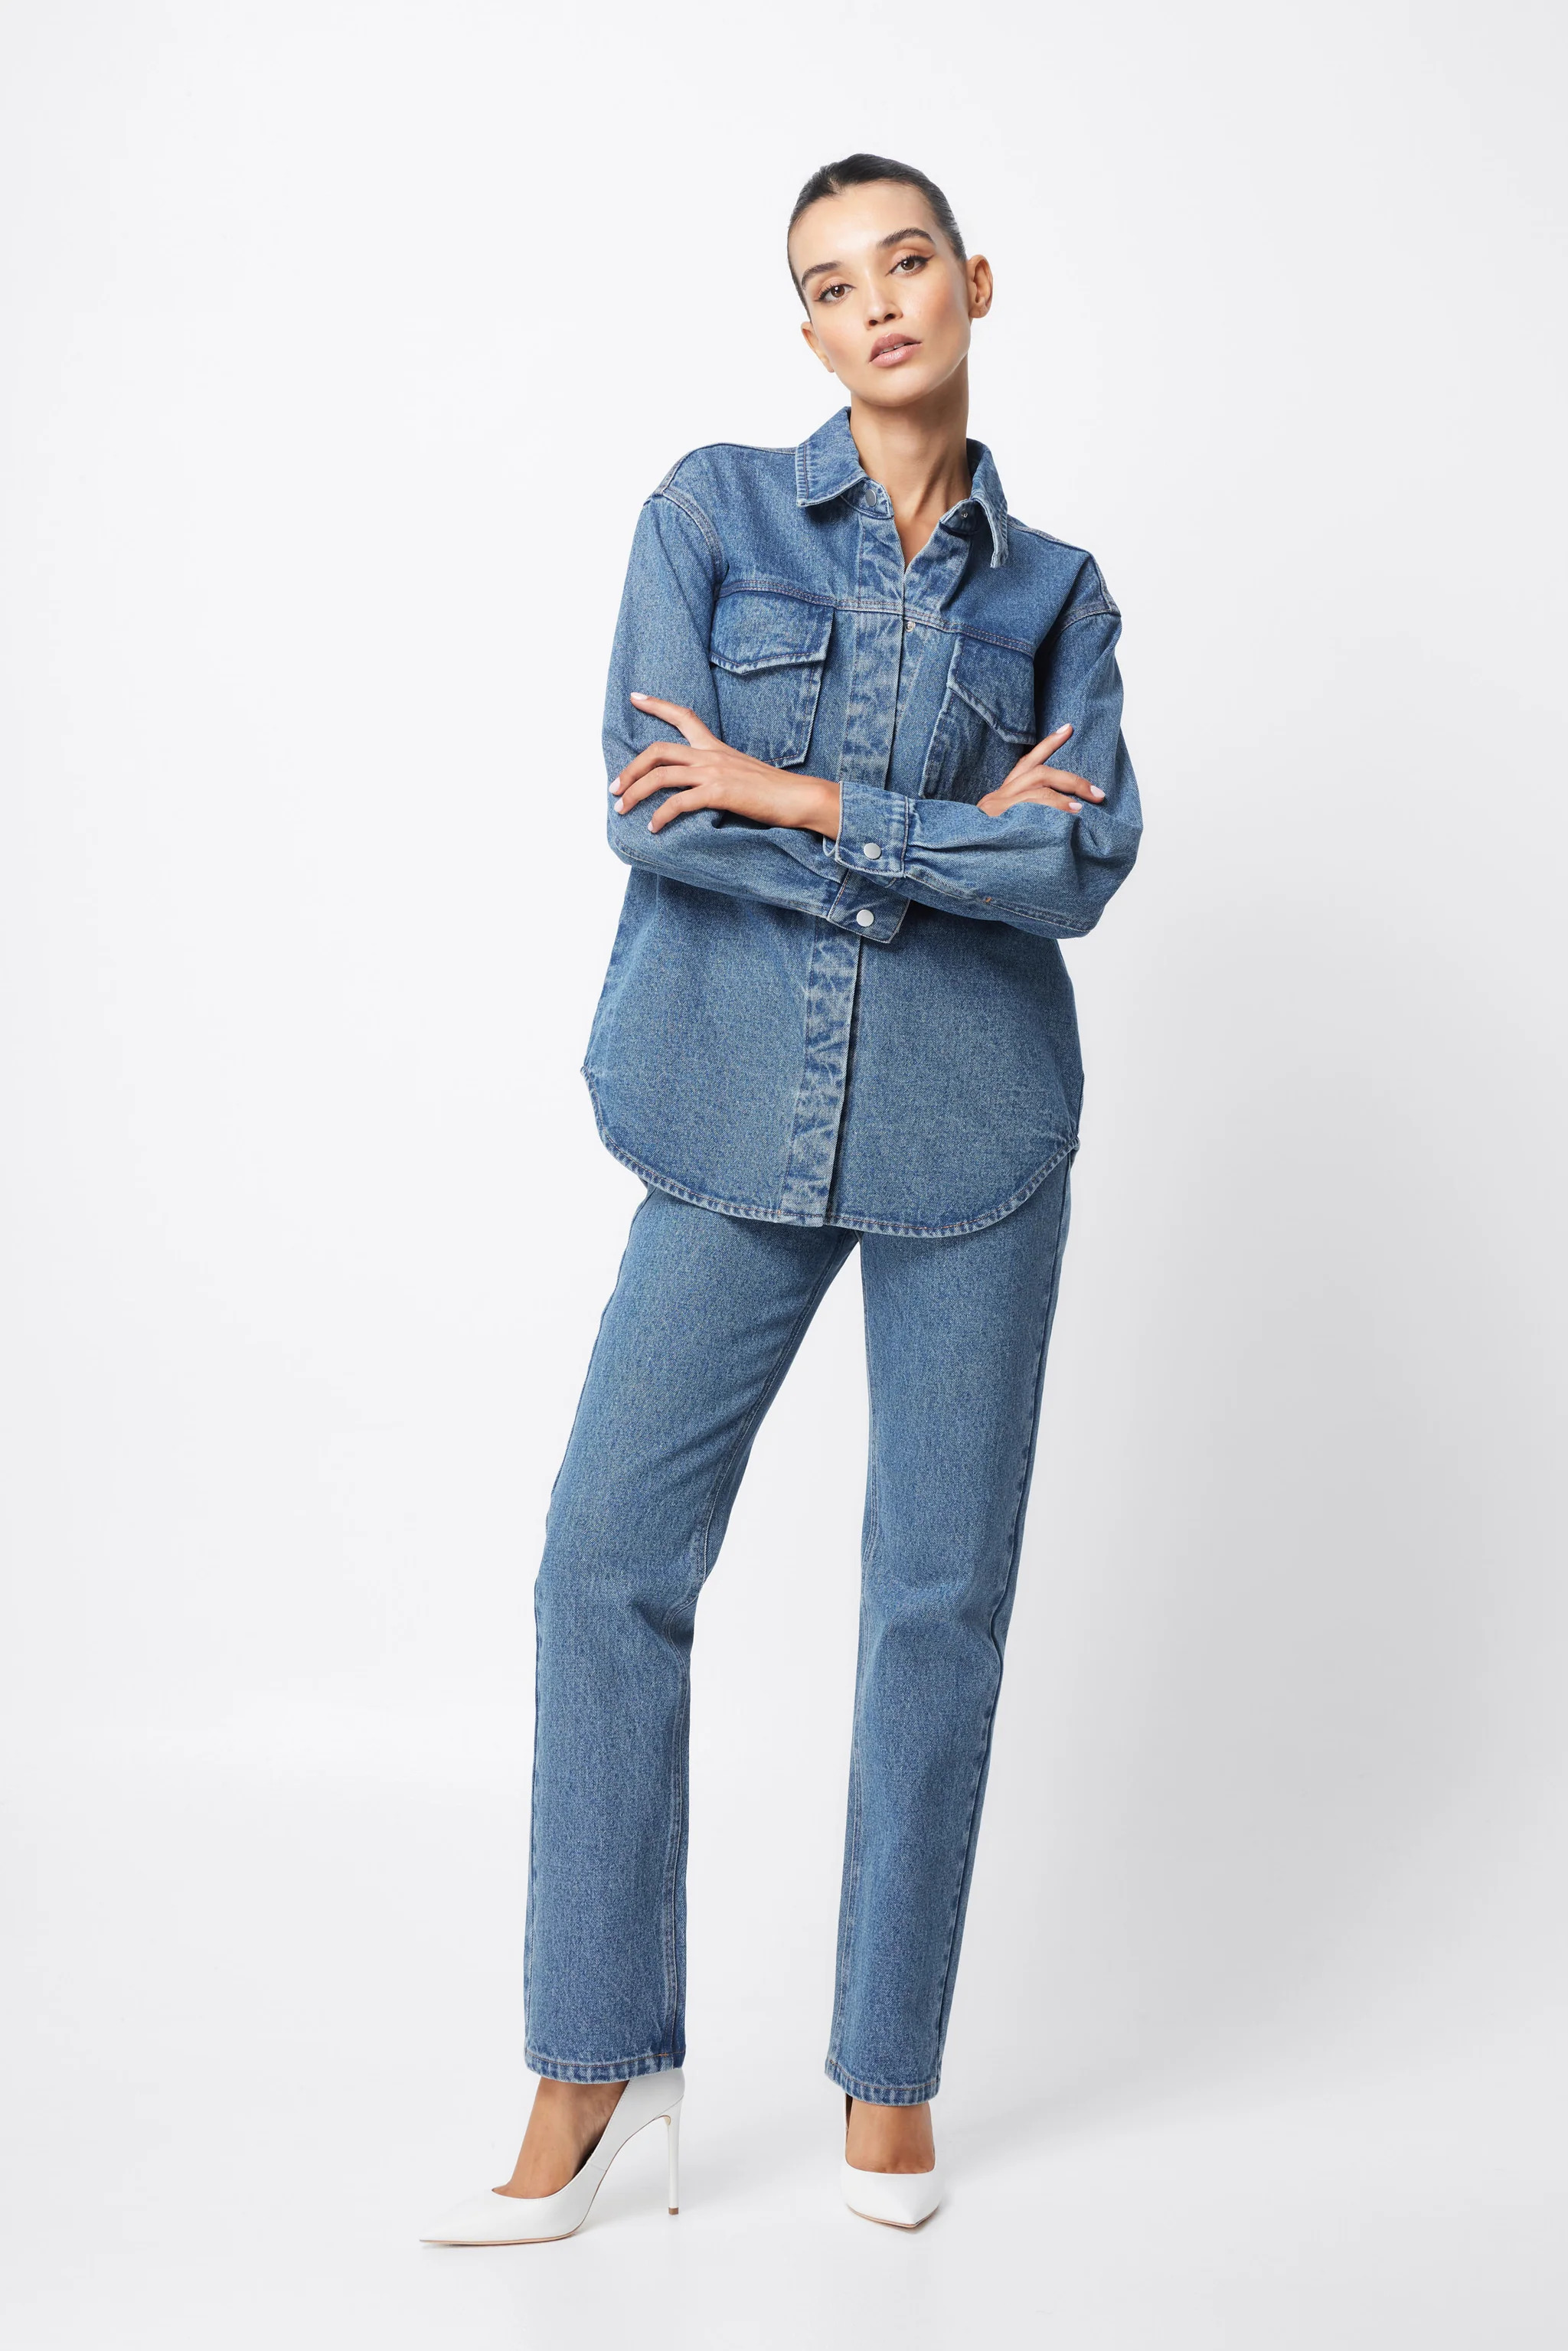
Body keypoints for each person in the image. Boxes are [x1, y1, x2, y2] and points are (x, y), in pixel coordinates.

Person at [421, 151, 1142, 2247]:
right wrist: (943, 841)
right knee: (605, 1560)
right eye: (832, 284)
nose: (877, 303)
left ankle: (888, 2083)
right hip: (732, 1105)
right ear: (806, 330)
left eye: (906, 261)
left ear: (973, 280)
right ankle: (594, 2063)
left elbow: (1084, 866)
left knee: (935, 1602)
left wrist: (805, 793)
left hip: (977, 1135)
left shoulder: (1060, 597)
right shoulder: (711, 516)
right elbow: (658, 813)